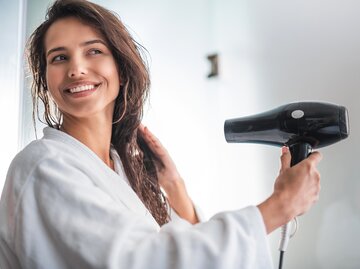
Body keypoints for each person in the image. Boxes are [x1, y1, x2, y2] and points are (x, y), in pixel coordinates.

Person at [0, 0, 322, 268]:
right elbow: (147, 262)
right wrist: (280, 206)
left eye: (93, 51)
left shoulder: (118, 171)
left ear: (121, 69)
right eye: (59, 57)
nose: (76, 69)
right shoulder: (43, 167)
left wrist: (175, 188)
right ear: (45, 80)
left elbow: (182, 249)